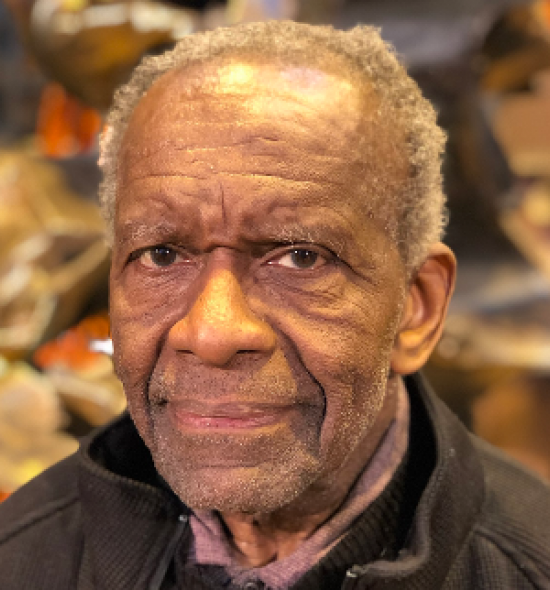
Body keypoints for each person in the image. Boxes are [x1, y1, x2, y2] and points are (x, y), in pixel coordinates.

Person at [1, 21, 550, 590]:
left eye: (300, 258)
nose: (212, 332)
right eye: (161, 255)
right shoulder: (23, 558)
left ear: (417, 307)